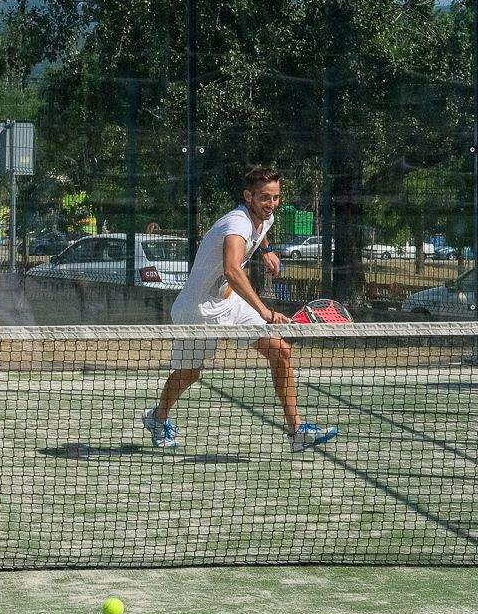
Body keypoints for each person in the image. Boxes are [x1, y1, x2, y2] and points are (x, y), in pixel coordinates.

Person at [142, 166, 338, 452]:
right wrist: (265, 312)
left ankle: (296, 431)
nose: (271, 204)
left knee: (280, 350)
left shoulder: (264, 218)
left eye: (275, 197)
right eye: (264, 198)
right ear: (248, 196)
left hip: (230, 303)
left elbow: (261, 232)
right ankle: (158, 418)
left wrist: (267, 250)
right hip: (197, 310)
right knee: (189, 373)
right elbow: (232, 269)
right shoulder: (236, 224)